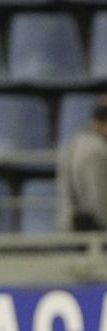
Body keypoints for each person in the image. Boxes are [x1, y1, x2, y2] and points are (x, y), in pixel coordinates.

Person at [63, 98, 107, 231]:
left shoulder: (75, 143)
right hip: (92, 231)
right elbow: (98, 202)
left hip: (74, 225)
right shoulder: (96, 150)